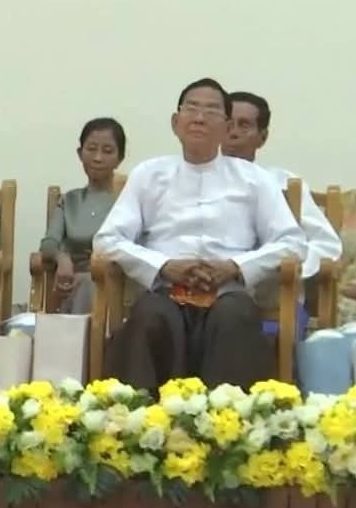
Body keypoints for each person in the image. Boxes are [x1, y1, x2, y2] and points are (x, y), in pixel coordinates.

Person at [94, 77, 307, 391]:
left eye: (211, 111)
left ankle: (228, 417)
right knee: (150, 316)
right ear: (175, 122)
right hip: (166, 291)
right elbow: (107, 240)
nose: (199, 117)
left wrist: (235, 266)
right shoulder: (148, 175)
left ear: (226, 126)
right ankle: (138, 416)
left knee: (234, 317)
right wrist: (164, 265)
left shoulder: (255, 179)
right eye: (191, 108)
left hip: (229, 293)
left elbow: (293, 243)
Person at [221, 91, 343, 333]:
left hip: (273, 303)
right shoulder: (194, 182)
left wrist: (281, 266)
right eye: (228, 124)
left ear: (262, 137)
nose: (233, 133)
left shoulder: (284, 184)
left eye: (244, 125)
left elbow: (326, 245)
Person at [39, 118, 126, 314]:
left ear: (120, 158)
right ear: (80, 153)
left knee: (89, 284)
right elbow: (49, 243)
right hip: (70, 283)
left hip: (116, 285)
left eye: (107, 151)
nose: (98, 158)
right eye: (91, 149)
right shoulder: (69, 200)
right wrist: (62, 258)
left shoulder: (127, 198)